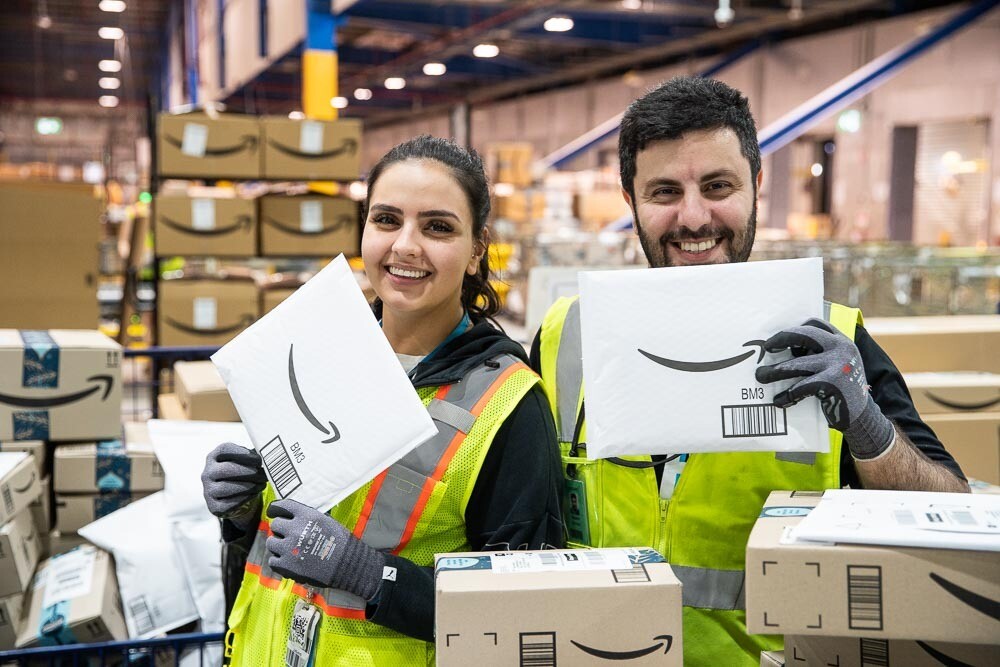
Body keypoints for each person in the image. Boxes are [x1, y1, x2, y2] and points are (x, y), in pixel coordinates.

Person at [530, 76, 968, 667]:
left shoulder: (830, 339)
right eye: (663, 191)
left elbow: (952, 512)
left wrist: (869, 427)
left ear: (757, 186)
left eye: (718, 186)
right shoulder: (566, 339)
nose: (693, 218)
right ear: (629, 198)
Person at [203, 135, 564, 666]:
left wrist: (372, 577)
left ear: (477, 249)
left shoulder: (507, 405)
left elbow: (521, 615)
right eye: (387, 220)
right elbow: (270, 549)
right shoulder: (310, 356)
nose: (406, 246)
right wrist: (240, 512)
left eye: (437, 226)